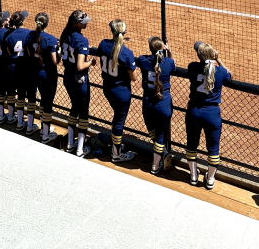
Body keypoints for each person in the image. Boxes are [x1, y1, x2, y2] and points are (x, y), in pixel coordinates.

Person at [186, 41, 232, 188]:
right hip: (212, 114)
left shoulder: (192, 67)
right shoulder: (219, 72)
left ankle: (193, 175)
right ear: (212, 55)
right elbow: (230, 76)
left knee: (192, 145)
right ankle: (210, 179)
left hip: (194, 111)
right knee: (213, 149)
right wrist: (218, 59)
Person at [91, 19, 138, 162]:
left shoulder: (103, 44)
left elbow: (101, 53)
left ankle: (116, 145)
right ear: (124, 32)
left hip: (107, 88)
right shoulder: (127, 53)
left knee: (116, 119)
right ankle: (116, 154)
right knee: (118, 122)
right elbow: (134, 78)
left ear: (112, 31)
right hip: (121, 93)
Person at [136, 36, 175, 175]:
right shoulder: (168, 62)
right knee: (160, 136)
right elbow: (172, 63)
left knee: (152, 130)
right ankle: (155, 164)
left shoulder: (142, 60)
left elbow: (146, 60)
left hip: (147, 103)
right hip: (163, 104)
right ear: (162, 49)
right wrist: (168, 51)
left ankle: (163, 153)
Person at [60, 10, 94, 157]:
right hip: (79, 81)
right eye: (83, 21)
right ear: (75, 23)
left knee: (74, 108)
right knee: (84, 112)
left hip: (67, 77)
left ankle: (69, 144)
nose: (85, 23)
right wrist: (91, 62)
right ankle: (80, 149)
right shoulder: (81, 40)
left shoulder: (64, 35)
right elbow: (80, 66)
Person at [25, 12, 60, 143]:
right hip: (48, 75)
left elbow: (29, 53)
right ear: (47, 24)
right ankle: (45, 135)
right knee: (47, 103)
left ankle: (45, 128)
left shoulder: (30, 36)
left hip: (35, 72)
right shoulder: (50, 39)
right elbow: (56, 61)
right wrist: (60, 52)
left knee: (43, 100)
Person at [3, 10, 35, 133]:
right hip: (28, 69)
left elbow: (10, 52)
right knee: (31, 97)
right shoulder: (30, 34)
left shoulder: (9, 36)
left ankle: (20, 123)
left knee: (20, 95)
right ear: (22, 21)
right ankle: (30, 126)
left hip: (15, 69)